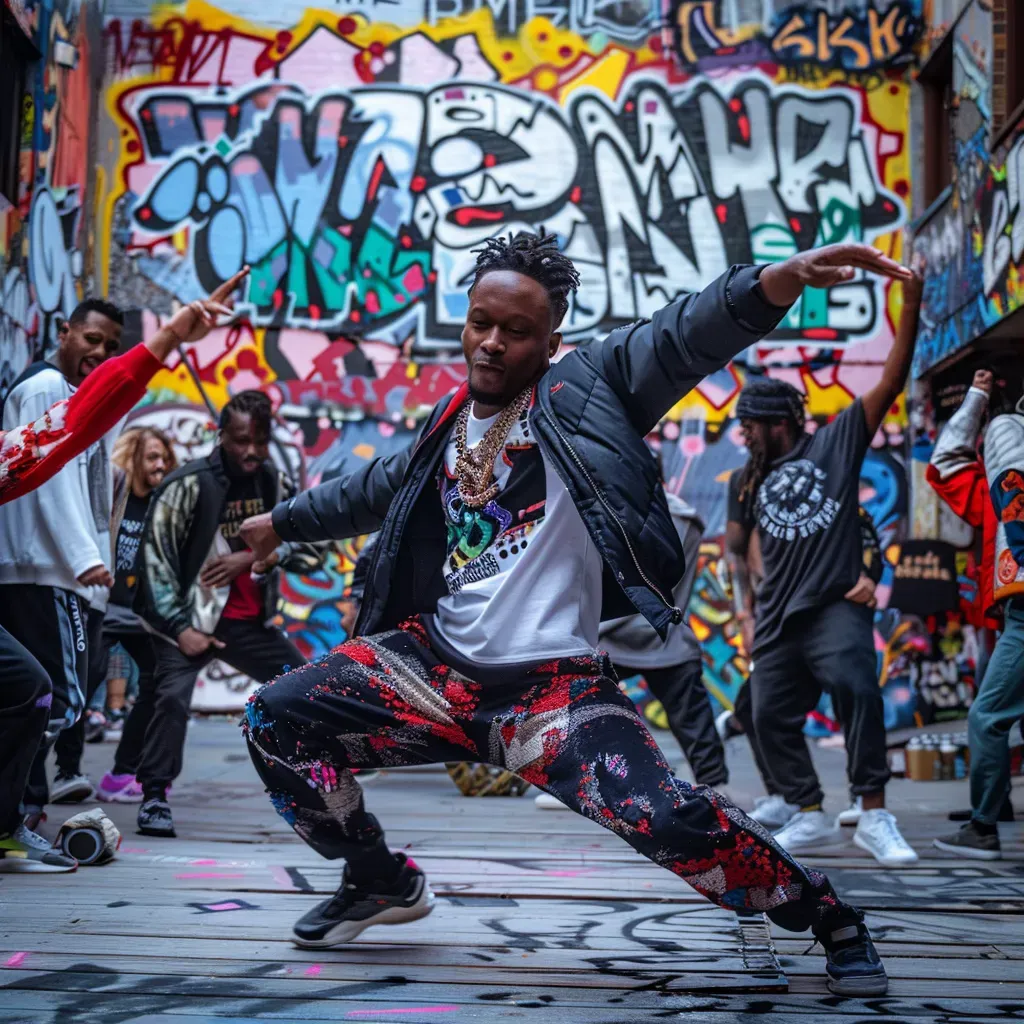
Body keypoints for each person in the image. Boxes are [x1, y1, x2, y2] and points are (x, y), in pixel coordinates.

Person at [240, 233, 914, 996]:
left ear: (551, 340)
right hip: (433, 669)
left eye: (516, 332)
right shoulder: (449, 424)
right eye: (479, 323)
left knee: (668, 819)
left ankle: (829, 918)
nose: (491, 344)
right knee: (274, 718)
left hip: (549, 695)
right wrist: (281, 522)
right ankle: (378, 878)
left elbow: (683, 335)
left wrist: (775, 282)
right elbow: (373, 487)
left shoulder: (588, 389)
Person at [0, 275, 245, 872]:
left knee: (32, 689)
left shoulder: (37, 428)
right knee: (46, 692)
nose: (98, 352)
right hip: (43, 572)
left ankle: (11, 823)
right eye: (91, 339)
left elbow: (66, 428)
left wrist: (167, 342)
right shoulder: (42, 388)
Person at [725, 265, 923, 868]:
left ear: (778, 423)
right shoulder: (745, 479)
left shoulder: (833, 444)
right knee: (763, 712)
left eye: (750, 427)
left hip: (835, 602)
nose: (745, 436)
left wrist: (908, 301)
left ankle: (873, 811)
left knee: (857, 688)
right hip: (779, 612)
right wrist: (745, 610)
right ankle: (807, 810)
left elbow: (890, 379)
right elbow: (736, 550)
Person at [132, 390, 320, 838]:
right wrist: (180, 629)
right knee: (171, 697)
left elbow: (308, 550)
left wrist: (258, 557)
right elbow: (155, 564)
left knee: (307, 689)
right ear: (221, 437)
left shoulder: (273, 482)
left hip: (247, 623)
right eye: (241, 440)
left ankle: (313, 786)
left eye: (260, 440)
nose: (251, 451)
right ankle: (154, 796)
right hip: (190, 618)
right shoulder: (187, 485)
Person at [538, 487, 726, 811]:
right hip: (652, 635)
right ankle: (715, 786)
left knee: (584, 704)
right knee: (688, 715)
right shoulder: (681, 518)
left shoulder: (650, 515)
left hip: (636, 634)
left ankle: (714, 786)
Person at [726, 490, 884, 832]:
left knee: (853, 688)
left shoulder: (819, 489)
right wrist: (747, 618)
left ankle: (868, 801)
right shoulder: (752, 491)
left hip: (824, 614)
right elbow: (738, 555)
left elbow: (866, 535)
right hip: (780, 623)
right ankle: (792, 798)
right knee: (752, 706)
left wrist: (868, 573)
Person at [931, 369, 1024, 858]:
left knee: (988, 715)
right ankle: (993, 805)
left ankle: (984, 827)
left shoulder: (1008, 439)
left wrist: (975, 401)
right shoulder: (1001, 487)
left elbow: (947, 461)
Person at [91, 427, 178, 804]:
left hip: (141, 615)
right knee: (80, 684)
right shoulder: (115, 493)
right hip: (103, 606)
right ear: (134, 460)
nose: (160, 465)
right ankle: (63, 772)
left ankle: (123, 773)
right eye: (152, 457)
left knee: (158, 683)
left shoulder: (165, 503)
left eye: (164, 458)